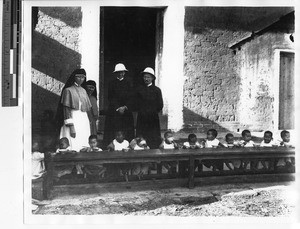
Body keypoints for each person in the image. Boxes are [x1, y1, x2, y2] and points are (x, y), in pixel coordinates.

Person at [55, 69, 91, 152]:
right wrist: (71, 126)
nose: (81, 79)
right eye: (78, 77)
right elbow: (66, 109)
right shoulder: (68, 90)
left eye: (83, 77)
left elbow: (86, 108)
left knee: (83, 141)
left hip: (83, 119)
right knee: (72, 141)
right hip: (73, 118)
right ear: (74, 77)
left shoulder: (84, 90)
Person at [103, 63, 135, 147]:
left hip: (126, 111)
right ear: (116, 73)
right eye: (119, 72)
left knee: (127, 130)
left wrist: (124, 107)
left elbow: (131, 97)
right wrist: (117, 107)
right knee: (114, 129)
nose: (120, 74)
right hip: (114, 111)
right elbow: (110, 97)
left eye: (122, 72)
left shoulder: (129, 82)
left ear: (124, 72)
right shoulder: (112, 83)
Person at [135, 67, 163, 149]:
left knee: (153, 137)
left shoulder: (157, 90)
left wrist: (152, 112)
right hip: (142, 118)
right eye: (145, 77)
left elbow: (160, 105)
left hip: (152, 118)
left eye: (148, 77)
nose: (146, 79)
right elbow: (136, 103)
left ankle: (154, 157)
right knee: (142, 137)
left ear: (152, 78)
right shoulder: (139, 89)